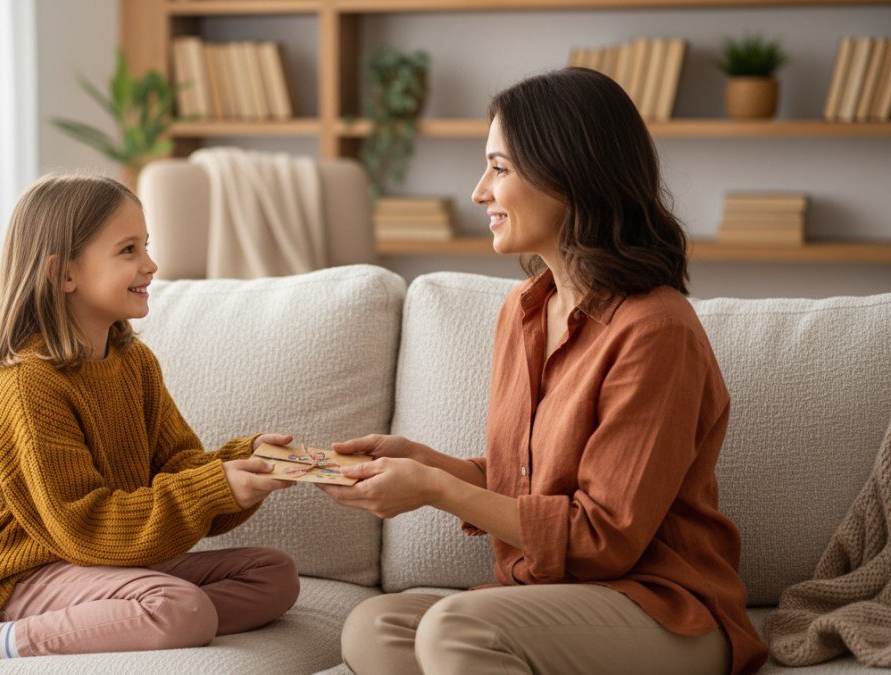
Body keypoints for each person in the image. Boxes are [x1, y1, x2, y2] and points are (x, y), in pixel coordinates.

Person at [319, 68, 768, 675]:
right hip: (546, 599)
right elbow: (527, 481)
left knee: (455, 630)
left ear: (569, 175)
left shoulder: (656, 328)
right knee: (377, 627)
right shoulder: (525, 309)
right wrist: (425, 463)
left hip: (665, 610)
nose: (479, 192)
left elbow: (604, 537)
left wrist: (435, 490)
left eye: (499, 169)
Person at [0, 173, 299, 661]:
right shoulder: (30, 384)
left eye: (146, 246)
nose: (151, 265)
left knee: (274, 575)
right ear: (63, 274)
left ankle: (129, 620)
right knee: (181, 608)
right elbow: (82, 526)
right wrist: (215, 486)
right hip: (24, 571)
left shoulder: (134, 364)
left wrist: (246, 463)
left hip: (104, 559)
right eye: (128, 250)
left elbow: (177, 465)